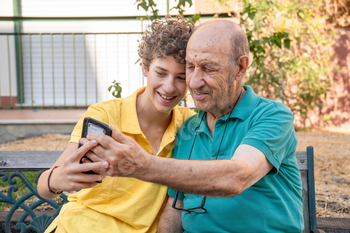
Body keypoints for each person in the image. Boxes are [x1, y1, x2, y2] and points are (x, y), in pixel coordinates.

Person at [82, 19, 304, 232]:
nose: (194, 82)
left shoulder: (272, 116)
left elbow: (238, 176)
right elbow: (174, 207)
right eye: (190, 67)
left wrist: (143, 165)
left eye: (208, 68)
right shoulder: (188, 128)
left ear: (240, 67)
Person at [37, 17, 195, 233]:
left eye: (181, 77)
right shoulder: (105, 114)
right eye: (160, 72)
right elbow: (45, 187)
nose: (169, 87)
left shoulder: (190, 124)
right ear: (145, 68)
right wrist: (57, 180)